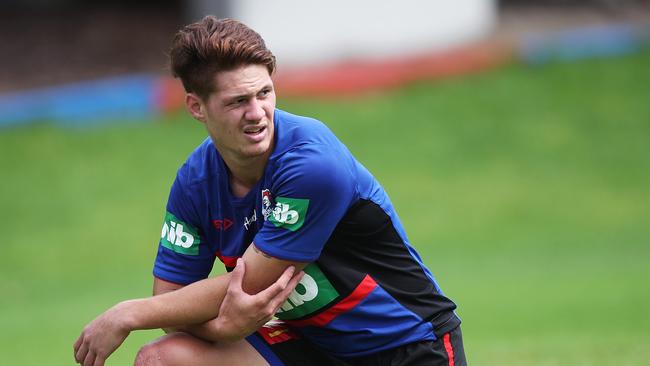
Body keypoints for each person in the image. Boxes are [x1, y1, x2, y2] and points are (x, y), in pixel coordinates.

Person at [73, 16, 466, 366]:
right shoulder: (195, 183)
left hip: (407, 347)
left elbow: (246, 283)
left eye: (264, 93)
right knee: (162, 359)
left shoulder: (313, 163)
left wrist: (126, 313)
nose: (258, 113)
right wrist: (222, 328)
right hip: (308, 347)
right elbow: (170, 300)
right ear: (196, 107)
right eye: (238, 101)